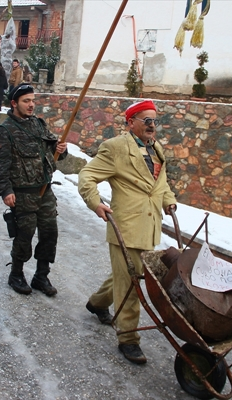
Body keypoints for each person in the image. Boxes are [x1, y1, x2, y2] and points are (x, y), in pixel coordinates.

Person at [78, 100, 177, 365]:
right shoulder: (116, 148)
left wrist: (168, 199)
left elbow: (160, 182)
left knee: (129, 274)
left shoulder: (155, 149)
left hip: (149, 226)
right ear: (130, 121)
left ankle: (98, 302)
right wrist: (95, 202)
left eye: (154, 120)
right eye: (146, 120)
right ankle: (128, 339)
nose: (151, 125)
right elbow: (87, 175)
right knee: (131, 284)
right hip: (126, 226)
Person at [0, 84, 68, 296]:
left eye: (33, 100)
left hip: (45, 190)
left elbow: (54, 150)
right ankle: (16, 274)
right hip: (22, 193)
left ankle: (41, 275)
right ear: (14, 103)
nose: (31, 104)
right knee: (24, 234)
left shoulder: (38, 125)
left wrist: (60, 149)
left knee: (50, 233)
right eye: (26, 101)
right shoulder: (6, 131)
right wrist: (6, 191)